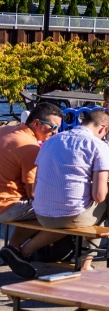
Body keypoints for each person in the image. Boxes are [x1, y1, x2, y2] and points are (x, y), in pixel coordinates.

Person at [25, 110, 109, 276]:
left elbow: (37, 181)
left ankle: (22, 252)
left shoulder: (52, 141)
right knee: (105, 196)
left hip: (41, 214)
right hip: (72, 216)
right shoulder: (99, 146)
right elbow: (99, 195)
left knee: (92, 203)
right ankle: (95, 257)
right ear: (103, 129)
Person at [0, 104, 65, 269]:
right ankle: (22, 252)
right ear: (36, 123)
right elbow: (33, 193)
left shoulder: (4, 131)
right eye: (53, 127)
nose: (56, 132)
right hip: (7, 205)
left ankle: (12, 249)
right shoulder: (30, 148)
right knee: (65, 216)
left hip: (4, 200)